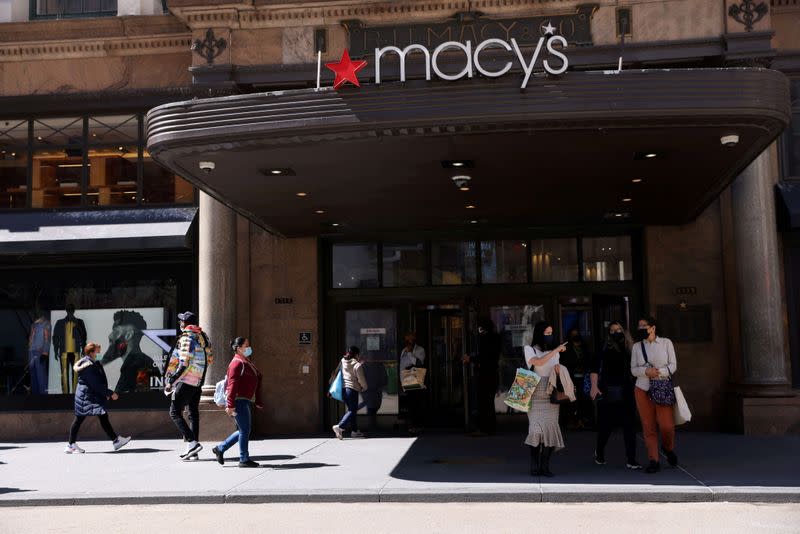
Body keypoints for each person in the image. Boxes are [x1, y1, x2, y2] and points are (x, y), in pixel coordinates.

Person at [590, 321, 641, 470]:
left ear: (624, 331)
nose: (616, 332)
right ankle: (599, 453)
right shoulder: (604, 347)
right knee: (606, 426)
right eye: (612, 330)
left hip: (627, 390)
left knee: (629, 426)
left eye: (618, 329)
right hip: (608, 390)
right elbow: (594, 367)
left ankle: (631, 459)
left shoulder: (632, 348)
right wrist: (594, 386)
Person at [631, 316, 678, 474]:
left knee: (667, 426)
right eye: (639, 326)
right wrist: (646, 371)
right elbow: (633, 369)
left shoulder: (666, 343)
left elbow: (673, 365)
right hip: (642, 389)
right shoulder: (637, 347)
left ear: (653, 328)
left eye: (644, 326)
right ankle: (653, 460)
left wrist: (659, 372)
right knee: (648, 426)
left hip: (662, 387)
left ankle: (668, 448)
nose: (641, 328)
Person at [64, 342, 131, 453]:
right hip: (87, 397)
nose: (98, 352)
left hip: (89, 395)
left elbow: (97, 382)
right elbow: (95, 384)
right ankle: (71, 445)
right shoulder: (88, 366)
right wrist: (110, 393)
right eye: (96, 351)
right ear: (91, 352)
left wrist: (105, 393)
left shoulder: (91, 363)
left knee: (99, 416)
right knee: (80, 419)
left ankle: (115, 440)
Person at [164, 311, 212, 461]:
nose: (179, 324)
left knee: (174, 412)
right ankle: (193, 451)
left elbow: (184, 363)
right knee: (193, 414)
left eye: (181, 322)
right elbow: (210, 360)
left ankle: (193, 442)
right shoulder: (203, 337)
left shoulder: (186, 337)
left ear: (185, 323)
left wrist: (171, 381)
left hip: (187, 381)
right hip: (199, 381)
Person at [523, 321, 567, 477]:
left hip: (551, 393)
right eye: (547, 333)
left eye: (551, 333)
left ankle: (545, 467)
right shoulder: (529, 349)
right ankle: (534, 465)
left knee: (549, 431)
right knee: (535, 430)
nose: (550, 336)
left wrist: (558, 369)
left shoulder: (556, 354)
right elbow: (539, 362)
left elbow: (555, 370)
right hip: (534, 394)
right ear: (539, 334)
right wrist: (555, 350)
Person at [212, 337, 263, 468]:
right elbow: (232, 385)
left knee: (243, 429)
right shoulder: (237, 363)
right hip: (238, 401)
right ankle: (243, 458)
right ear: (239, 348)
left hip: (244, 400)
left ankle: (220, 448)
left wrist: (258, 400)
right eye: (246, 345)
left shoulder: (245, 361)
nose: (249, 348)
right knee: (245, 429)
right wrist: (230, 405)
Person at [98, 310, 161, 393]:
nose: (110, 336)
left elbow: (120, 398)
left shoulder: (133, 364)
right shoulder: (143, 361)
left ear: (129, 335)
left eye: (115, 330)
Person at [463, 317, 501, 435]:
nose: (479, 330)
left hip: (485, 375)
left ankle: (485, 428)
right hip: (493, 374)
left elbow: (484, 357)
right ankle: (490, 427)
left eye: (480, 328)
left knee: (484, 403)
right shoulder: (495, 338)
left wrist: (470, 359)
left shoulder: (486, 339)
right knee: (489, 402)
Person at [332, 346, 368, 439]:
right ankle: (340, 426)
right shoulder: (357, 365)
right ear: (357, 355)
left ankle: (354, 431)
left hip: (343, 390)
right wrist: (364, 388)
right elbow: (361, 379)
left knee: (351, 410)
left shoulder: (343, 361)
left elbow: (336, 372)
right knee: (352, 410)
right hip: (352, 390)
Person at [560, 328, 592, 430]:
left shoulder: (584, 346)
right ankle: (571, 420)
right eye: (573, 334)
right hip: (571, 376)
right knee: (571, 399)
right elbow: (564, 361)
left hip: (583, 377)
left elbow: (588, 358)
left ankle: (581, 420)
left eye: (576, 333)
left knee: (583, 399)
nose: (575, 336)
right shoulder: (567, 347)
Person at [52, 304, 87, 394]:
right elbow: (55, 337)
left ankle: (75, 394)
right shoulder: (60, 322)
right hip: (64, 352)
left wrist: (83, 348)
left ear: (74, 311)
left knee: (76, 374)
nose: (70, 311)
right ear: (66, 310)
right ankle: (65, 395)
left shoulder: (79, 322)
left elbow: (83, 336)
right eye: (69, 310)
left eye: (71, 310)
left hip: (76, 352)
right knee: (64, 374)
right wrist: (56, 350)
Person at [400, 332, 426, 433]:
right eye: (407, 340)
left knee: (416, 403)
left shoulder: (420, 350)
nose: (409, 342)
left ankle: (417, 425)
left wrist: (410, 353)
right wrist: (401, 381)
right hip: (407, 377)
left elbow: (419, 363)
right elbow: (402, 366)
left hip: (416, 376)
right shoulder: (403, 351)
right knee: (410, 404)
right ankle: (412, 425)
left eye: (410, 340)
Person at [357, 353, 388, 432]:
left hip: (372, 389)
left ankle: (372, 424)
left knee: (374, 406)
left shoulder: (378, 366)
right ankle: (372, 425)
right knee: (372, 407)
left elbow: (384, 377)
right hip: (370, 389)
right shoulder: (365, 366)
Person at [28, 313, 51, 395]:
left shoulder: (46, 324)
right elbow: (30, 338)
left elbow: (47, 339)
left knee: (41, 375)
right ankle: (34, 396)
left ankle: (43, 397)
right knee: (33, 375)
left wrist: (45, 352)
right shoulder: (33, 324)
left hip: (39, 352)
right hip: (31, 351)